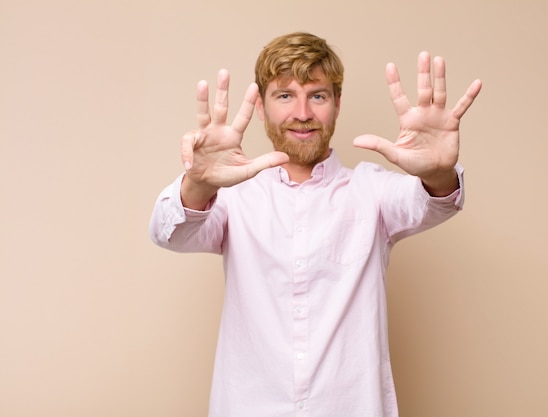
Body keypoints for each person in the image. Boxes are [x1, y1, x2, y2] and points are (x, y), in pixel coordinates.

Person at [150, 32, 481, 417]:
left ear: (337, 104)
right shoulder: (233, 197)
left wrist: (439, 172)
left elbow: (436, 200)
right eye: (285, 95)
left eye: (318, 95)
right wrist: (198, 183)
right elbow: (169, 232)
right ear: (261, 107)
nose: (303, 112)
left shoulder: (372, 190)